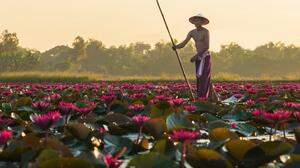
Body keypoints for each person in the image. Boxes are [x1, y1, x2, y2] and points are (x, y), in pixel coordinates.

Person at [172, 13, 212, 99]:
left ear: (202, 22)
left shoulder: (205, 32)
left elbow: (206, 46)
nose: (197, 22)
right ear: (194, 22)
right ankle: (200, 95)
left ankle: (203, 96)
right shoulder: (192, 32)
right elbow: (184, 43)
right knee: (198, 76)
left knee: (204, 76)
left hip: (205, 56)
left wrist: (196, 56)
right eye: (196, 20)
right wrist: (176, 47)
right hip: (198, 57)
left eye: (199, 20)